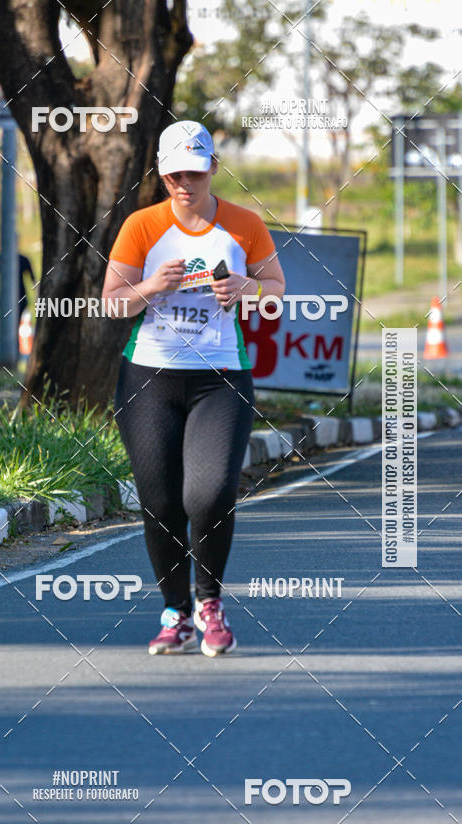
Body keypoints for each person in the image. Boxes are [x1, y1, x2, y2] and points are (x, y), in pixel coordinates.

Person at [102, 120, 285, 657]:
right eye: (175, 174)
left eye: (196, 173)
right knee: (160, 503)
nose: (186, 184)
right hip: (148, 378)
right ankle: (174, 613)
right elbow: (112, 301)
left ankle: (209, 603)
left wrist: (247, 287)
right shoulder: (142, 225)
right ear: (162, 175)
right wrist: (152, 286)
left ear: (214, 170)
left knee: (209, 493)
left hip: (221, 378)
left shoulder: (245, 225)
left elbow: (276, 294)